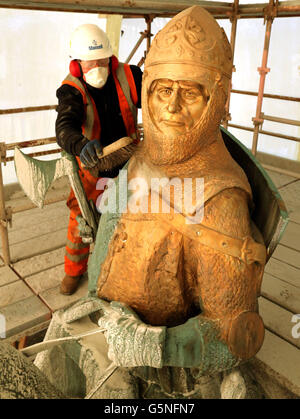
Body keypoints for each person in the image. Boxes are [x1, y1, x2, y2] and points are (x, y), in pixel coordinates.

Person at [55, 23, 142, 295]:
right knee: (81, 217)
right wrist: (80, 145)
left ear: (110, 57)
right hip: (93, 164)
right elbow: (64, 127)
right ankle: (74, 271)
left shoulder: (131, 75)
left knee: (138, 212)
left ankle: (129, 266)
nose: (98, 66)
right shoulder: (71, 90)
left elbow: (157, 97)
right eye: (91, 62)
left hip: (130, 158)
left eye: (102, 59)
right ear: (77, 64)